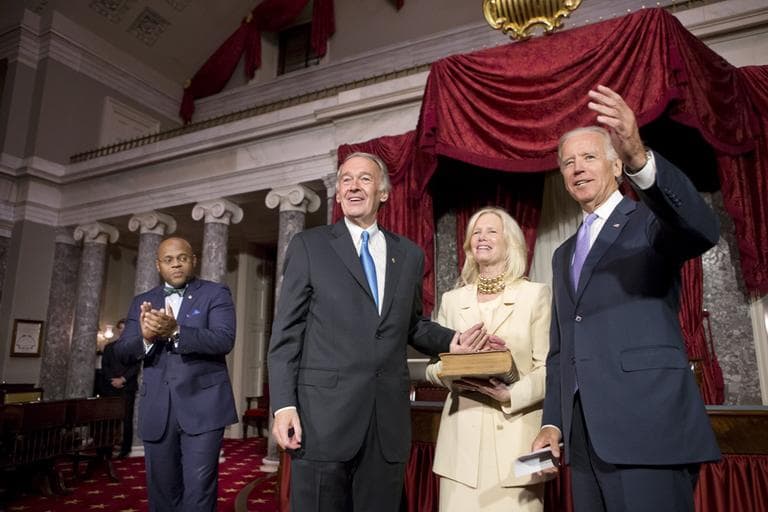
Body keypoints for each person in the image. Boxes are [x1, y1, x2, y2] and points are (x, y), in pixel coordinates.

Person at [532, 85, 721, 511]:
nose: (577, 169)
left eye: (589, 157)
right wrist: (552, 422)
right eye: (568, 163)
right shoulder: (563, 255)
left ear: (617, 165)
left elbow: (701, 228)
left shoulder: (649, 221)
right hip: (584, 442)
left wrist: (641, 157)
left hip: (647, 430)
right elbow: (561, 351)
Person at [268, 152, 489, 512]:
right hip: (323, 419)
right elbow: (285, 335)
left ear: (383, 192)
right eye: (346, 180)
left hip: (386, 422)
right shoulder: (310, 246)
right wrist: (284, 405)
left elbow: (412, 324)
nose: (354, 186)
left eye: (365, 179)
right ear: (338, 194)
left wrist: (452, 340)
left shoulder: (410, 255)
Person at [425, 207, 551, 512]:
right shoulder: (452, 301)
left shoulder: (536, 295)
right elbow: (433, 368)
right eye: (476, 232)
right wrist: (453, 365)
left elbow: (550, 367)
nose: (482, 237)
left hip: (520, 448)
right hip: (460, 454)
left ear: (511, 242)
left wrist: (512, 393)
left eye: (491, 231)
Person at [112, 236, 238, 511]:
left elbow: (223, 340)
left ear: (193, 261)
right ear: (159, 266)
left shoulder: (216, 293)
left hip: (204, 407)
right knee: (162, 492)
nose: (176, 264)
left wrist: (176, 331)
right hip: (158, 408)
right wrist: (145, 337)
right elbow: (122, 352)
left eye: (182, 258)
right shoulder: (143, 301)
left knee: (199, 490)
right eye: (168, 260)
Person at [100, 318, 139, 458]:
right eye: (121, 328)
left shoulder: (135, 347)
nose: (123, 331)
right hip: (110, 388)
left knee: (127, 420)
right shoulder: (109, 347)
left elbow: (135, 367)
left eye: (126, 328)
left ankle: (125, 450)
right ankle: (106, 449)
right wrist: (113, 380)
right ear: (118, 330)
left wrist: (123, 379)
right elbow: (105, 366)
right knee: (110, 420)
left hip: (127, 388)